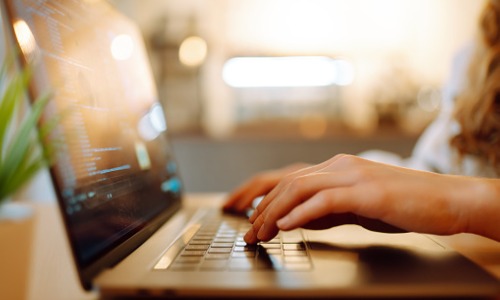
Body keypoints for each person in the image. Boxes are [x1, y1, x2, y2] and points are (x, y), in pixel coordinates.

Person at [223, 0, 500, 244]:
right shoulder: (479, 50)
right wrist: (337, 182)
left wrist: (465, 201)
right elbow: (438, 169)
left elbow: (449, 190)